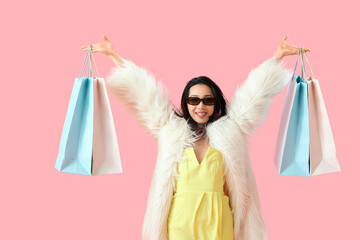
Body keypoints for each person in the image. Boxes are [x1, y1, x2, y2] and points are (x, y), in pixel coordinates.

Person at [81, 35, 310, 240]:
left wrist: (277, 56)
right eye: (194, 100)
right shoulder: (171, 130)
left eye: (208, 100)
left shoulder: (231, 130)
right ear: (186, 103)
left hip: (219, 223)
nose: (201, 106)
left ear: (216, 103)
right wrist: (114, 56)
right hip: (180, 221)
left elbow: (255, 94)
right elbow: (143, 94)